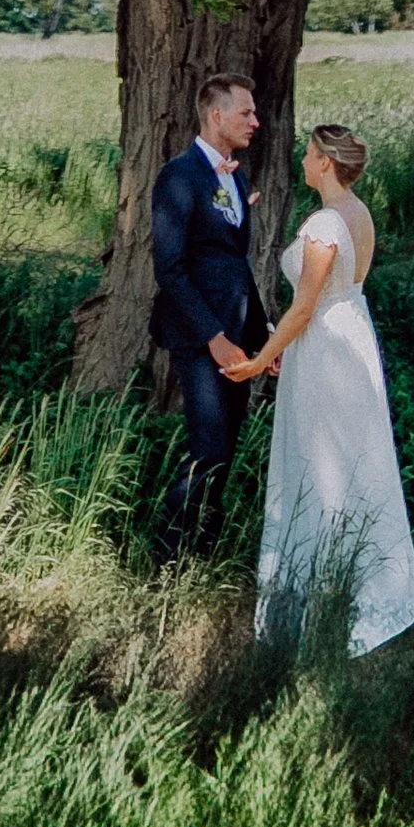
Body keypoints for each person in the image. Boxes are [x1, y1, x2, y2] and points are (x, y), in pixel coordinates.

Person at [221, 120, 414, 653]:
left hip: (326, 350)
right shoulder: (356, 213)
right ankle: (342, 584)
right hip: (349, 334)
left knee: (320, 465)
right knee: (352, 462)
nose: (302, 161)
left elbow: (305, 306)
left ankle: (324, 598)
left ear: (324, 162)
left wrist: (259, 360)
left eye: (308, 154)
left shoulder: (324, 223)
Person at [148, 71, 272, 562]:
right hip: (201, 337)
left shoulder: (234, 175)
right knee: (208, 449)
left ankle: (205, 556)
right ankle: (167, 563)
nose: (256, 122)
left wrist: (263, 334)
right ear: (216, 114)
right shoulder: (178, 176)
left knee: (225, 452)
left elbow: (235, 264)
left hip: (239, 338)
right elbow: (171, 270)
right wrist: (214, 337)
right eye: (246, 112)